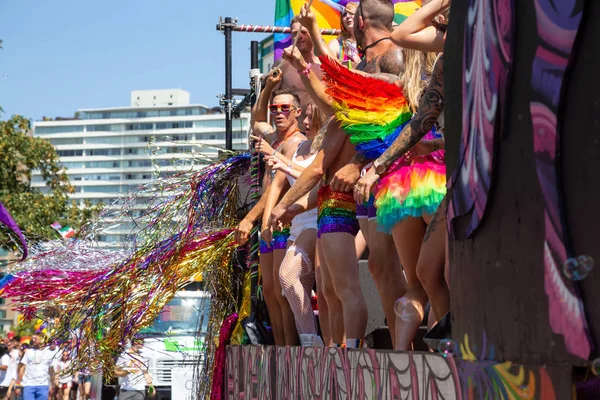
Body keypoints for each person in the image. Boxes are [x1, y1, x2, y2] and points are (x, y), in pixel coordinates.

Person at [356, 0, 450, 349]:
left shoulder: (492, 52)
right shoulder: (444, 63)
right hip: (436, 177)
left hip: (450, 176)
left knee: (427, 278)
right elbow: (419, 124)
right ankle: (442, 352)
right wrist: (377, 167)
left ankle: (413, 351)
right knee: (427, 274)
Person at [234, 68, 306, 345]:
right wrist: (268, 87)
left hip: (280, 221)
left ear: (297, 112)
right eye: (275, 108)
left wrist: (251, 219)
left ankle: (289, 349)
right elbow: (256, 120)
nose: (278, 112)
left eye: (285, 108)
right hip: (268, 222)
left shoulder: (294, 144)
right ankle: (280, 347)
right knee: (272, 293)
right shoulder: (274, 137)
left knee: (281, 292)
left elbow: (276, 189)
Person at [252, 102, 325, 346]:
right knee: (285, 289)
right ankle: (310, 342)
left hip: (317, 219)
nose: (305, 122)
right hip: (295, 223)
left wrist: (278, 158)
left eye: (310, 117)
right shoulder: (297, 147)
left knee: (288, 276)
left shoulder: (326, 146)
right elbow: (276, 185)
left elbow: (313, 175)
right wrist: (267, 220)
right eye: (305, 116)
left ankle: (311, 342)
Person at [272, 17, 324, 125]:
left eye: (304, 32)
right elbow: (269, 100)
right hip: (292, 132)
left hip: (319, 132)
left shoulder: (324, 67)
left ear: (313, 34)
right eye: (295, 33)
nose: (299, 37)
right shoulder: (282, 65)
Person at [14, 334, 55, 400]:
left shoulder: (49, 353)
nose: (33, 340)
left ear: (42, 340)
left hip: (43, 385)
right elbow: (22, 368)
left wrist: (53, 385)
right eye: (33, 339)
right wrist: (18, 385)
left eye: (35, 339)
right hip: (29, 385)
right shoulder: (28, 352)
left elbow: (51, 370)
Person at [328, 2, 362, 68]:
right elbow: (329, 70)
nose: (348, 16)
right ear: (342, 22)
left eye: (351, 12)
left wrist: (356, 59)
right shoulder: (336, 44)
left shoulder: (369, 43)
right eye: (344, 14)